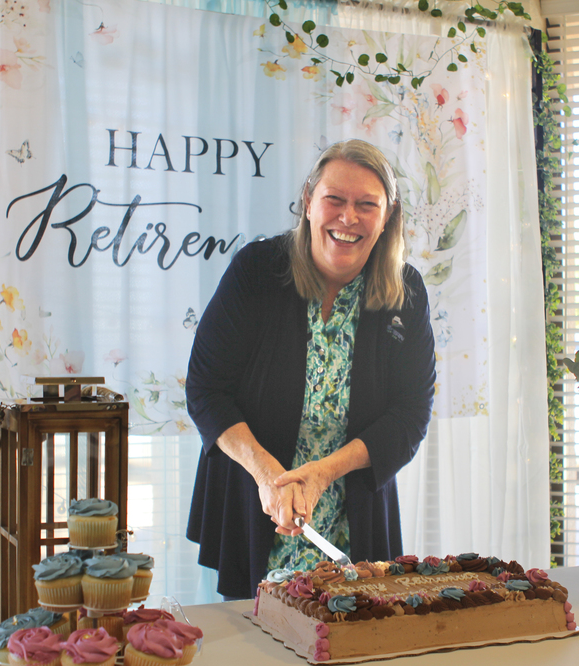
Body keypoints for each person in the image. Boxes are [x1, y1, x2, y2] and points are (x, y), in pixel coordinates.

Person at [185, 139, 436, 600]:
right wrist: (267, 476)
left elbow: (410, 416)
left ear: (388, 217)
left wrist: (322, 473)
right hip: (254, 508)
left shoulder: (408, 292)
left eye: (367, 205)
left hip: (354, 517)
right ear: (308, 201)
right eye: (334, 200)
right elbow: (206, 389)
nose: (348, 218)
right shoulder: (255, 271)